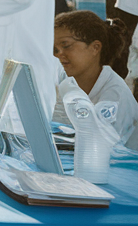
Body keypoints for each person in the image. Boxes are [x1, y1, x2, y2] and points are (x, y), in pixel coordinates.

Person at [52, 11, 138, 150]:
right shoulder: (67, 84)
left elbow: (99, 148)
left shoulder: (115, 95)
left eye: (66, 45)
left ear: (95, 48)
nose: (57, 54)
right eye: (55, 49)